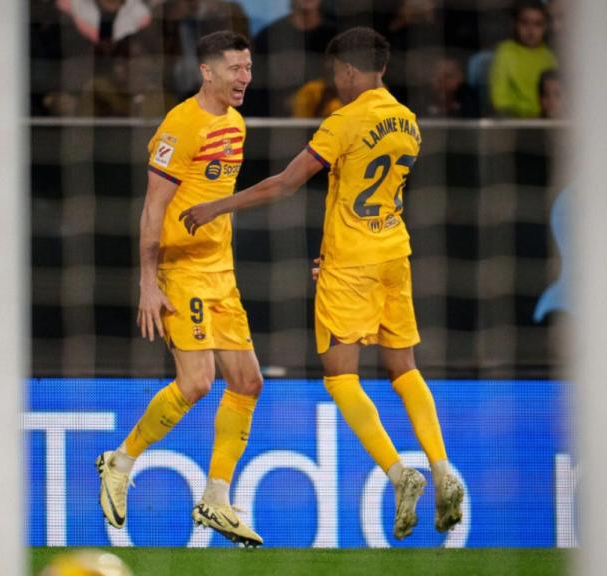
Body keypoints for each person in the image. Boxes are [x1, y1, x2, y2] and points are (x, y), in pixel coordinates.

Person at [179, 26, 464, 541]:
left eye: (336, 72)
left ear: (351, 71)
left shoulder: (345, 121)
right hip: (395, 254)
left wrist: (218, 205)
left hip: (350, 265)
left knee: (341, 378)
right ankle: (442, 468)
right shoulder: (408, 120)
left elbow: (286, 183)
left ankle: (399, 474)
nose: (335, 81)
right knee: (404, 368)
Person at [96, 30, 264, 548]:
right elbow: (153, 208)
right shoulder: (181, 124)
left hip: (222, 271)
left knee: (248, 381)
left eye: (249, 67)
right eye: (235, 68)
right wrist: (148, 282)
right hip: (181, 270)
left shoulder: (235, 123)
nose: (245, 77)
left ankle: (216, 498)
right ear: (207, 72)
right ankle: (119, 464)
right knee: (197, 382)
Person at [488, 1, 558, 118]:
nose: (531, 30)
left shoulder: (550, 56)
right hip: (516, 123)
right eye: (525, 23)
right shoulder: (505, 52)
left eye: (538, 24)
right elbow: (499, 100)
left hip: (547, 121)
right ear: (515, 24)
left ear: (546, 27)